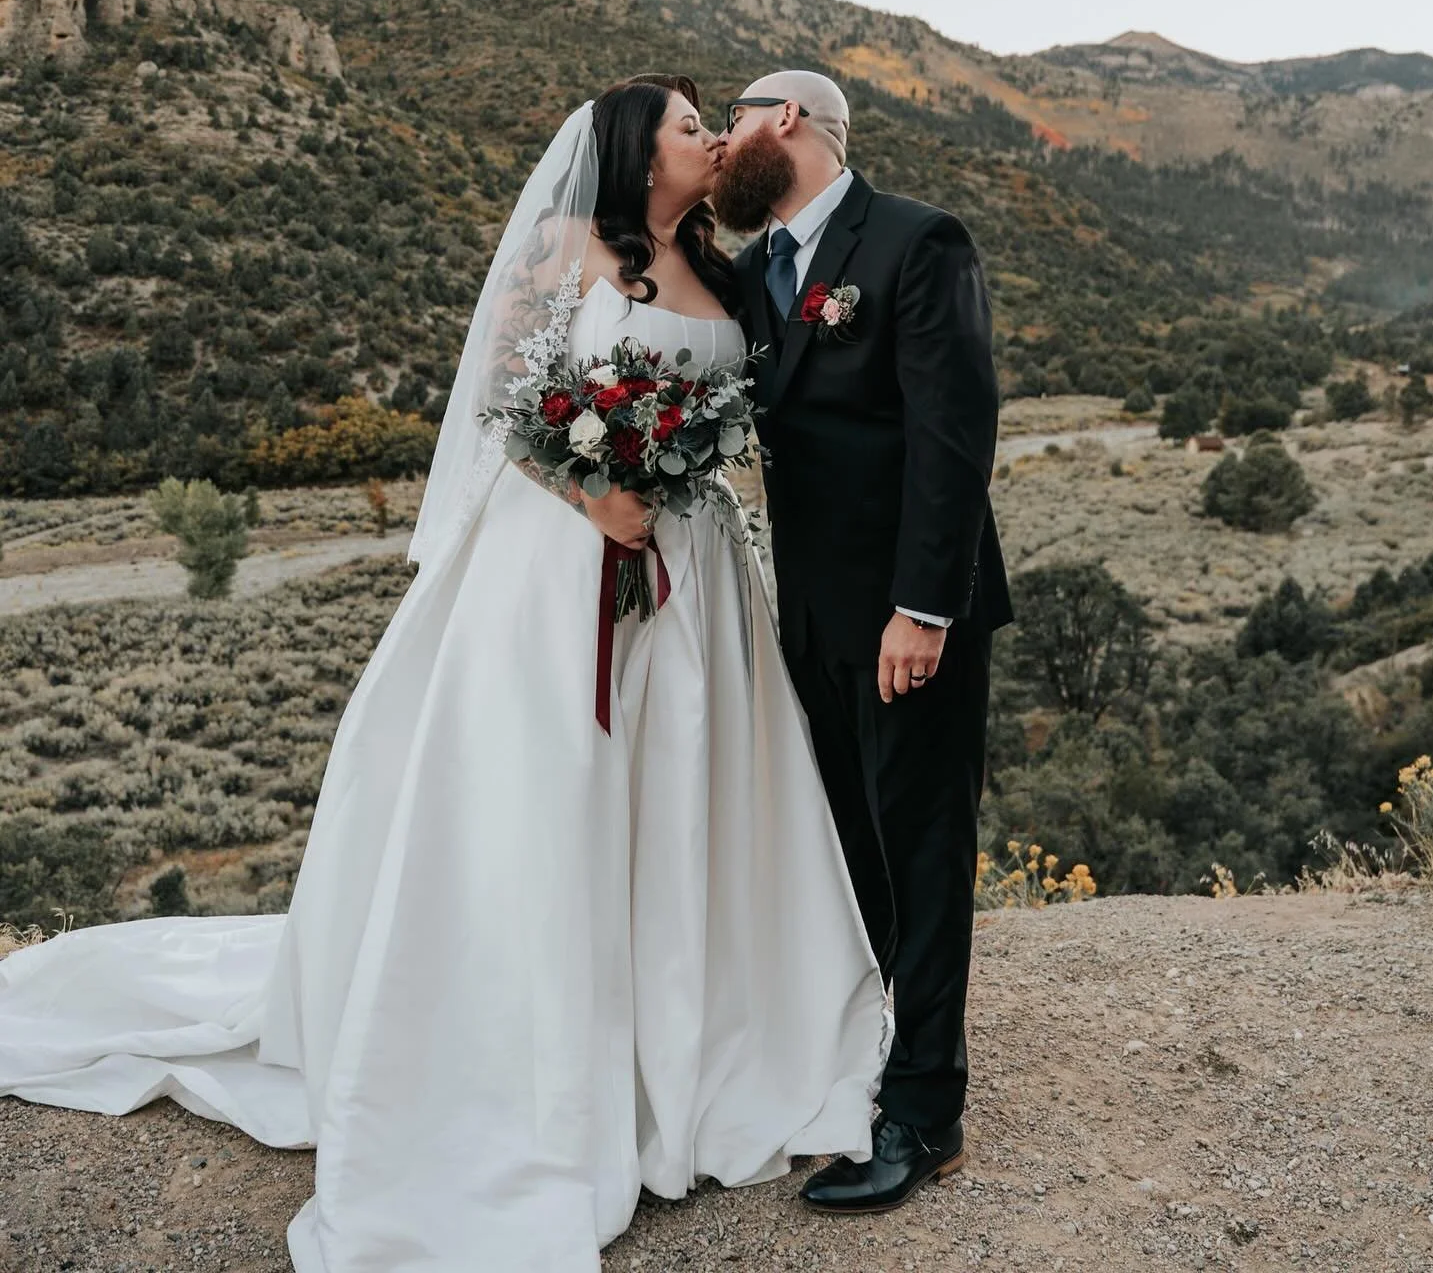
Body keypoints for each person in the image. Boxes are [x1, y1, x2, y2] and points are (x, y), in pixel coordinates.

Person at [0, 78, 887, 1273]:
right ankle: (540, 1059)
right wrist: (596, 495)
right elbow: (501, 408)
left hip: (695, 573)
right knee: (554, 797)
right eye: (690, 125)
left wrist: (683, 487)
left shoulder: (730, 279)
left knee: (694, 793)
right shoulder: (564, 252)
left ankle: (701, 1043)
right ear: (635, 153)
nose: (713, 140)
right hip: (557, 566)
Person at [714, 68, 1013, 1215]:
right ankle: (859, 1067)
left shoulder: (916, 242)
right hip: (809, 623)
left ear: (787, 120)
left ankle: (926, 1117)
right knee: (849, 858)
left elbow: (954, 429)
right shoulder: (756, 274)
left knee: (924, 856)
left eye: (733, 118)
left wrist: (923, 611)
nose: (727, 138)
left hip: (906, 621)